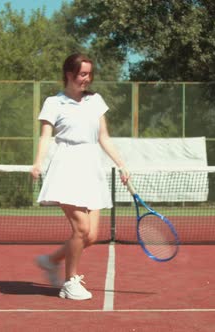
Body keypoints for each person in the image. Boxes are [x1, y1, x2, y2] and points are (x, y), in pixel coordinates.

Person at [31, 53, 129, 300]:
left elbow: (103, 137)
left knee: (92, 236)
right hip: (66, 166)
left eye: (89, 74)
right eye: (83, 74)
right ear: (69, 74)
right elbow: (45, 136)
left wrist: (122, 164)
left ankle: (50, 261)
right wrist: (37, 162)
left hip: (91, 168)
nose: (87, 79)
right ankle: (69, 281)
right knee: (81, 228)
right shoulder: (54, 103)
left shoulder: (96, 100)